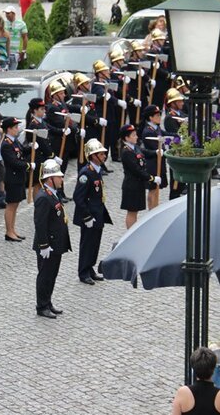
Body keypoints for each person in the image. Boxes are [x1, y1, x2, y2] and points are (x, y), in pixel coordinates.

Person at [33, 159, 71, 318]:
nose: (62, 180)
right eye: (59, 177)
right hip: (48, 245)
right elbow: (40, 223)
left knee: (52, 275)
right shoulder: (43, 197)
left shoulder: (52, 193)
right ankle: (42, 306)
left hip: (56, 243)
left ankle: (48, 302)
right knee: (45, 276)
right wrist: (44, 245)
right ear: (50, 179)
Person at [73, 139, 113, 285]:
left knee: (95, 243)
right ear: (93, 156)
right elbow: (78, 198)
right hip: (89, 215)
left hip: (98, 213)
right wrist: (87, 216)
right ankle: (83, 272)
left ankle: (90, 268)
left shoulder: (97, 171)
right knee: (87, 244)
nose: (104, 156)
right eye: (101, 153)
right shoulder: (86, 173)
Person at [119, 124, 160, 228]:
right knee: (132, 212)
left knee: (135, 211)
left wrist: (155, 152)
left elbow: (144, 152)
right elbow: (136, 170)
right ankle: (130, 234)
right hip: (132, 186)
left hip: (138, 185)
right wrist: (152, 178)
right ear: (126, 138)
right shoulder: (126, 152)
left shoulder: (134, 147)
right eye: (133, 135)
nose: (136, 137)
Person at [1, 117, 33, 242]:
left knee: (16, 205)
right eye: (15, 127)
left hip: (19, 178)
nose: (17, 129)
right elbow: (14, 162)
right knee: (11, 205)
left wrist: (31, 147)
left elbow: (22, 152)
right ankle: (9, 232)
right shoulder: (6, 144)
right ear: (8, 129)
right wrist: (28, 165)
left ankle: (12, 230)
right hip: (12, 178)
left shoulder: (14, 141)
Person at [25, 98, 57, 199]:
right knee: (38, 184)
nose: (44, 111)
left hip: (44, 158)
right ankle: (37, 205)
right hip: (39, 158)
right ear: (35, 110)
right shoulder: (33, 124)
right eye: (42, 109)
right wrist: (52, 156)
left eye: (44, 109)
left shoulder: (41, 122)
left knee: (42, 183)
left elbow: (51, 129)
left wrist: (63, 131)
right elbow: (42, 143)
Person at [3, 5, 29, 70]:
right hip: (4, 52)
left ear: (14, 13)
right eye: (6, 13)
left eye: (8, 13)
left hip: (14, 53)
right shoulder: (3, 23)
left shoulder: (21, 24)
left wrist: (23, 51)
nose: (6, 15)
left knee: (12, 72)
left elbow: (25, 38)